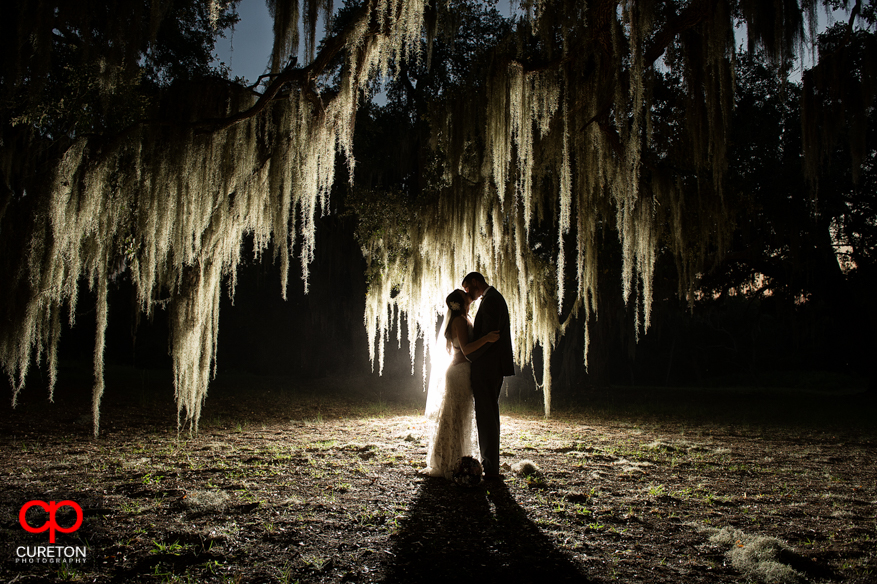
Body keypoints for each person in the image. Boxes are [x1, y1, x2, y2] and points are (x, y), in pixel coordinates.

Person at [423, 289, 500, 479]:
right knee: (455, 415)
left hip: (462, 371)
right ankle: (449, 462)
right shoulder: (459, 321)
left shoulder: (464, 318)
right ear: (460, 301)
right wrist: (487, 338)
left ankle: (452, 458)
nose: (469, 294)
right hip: (459, 373)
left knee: (458, 415)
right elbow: (466, 350)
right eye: (465, 294)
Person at [462, 272, 514, 480]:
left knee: (487, 416)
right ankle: (490, 463)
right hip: (490, 368)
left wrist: (470, 355)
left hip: (488, 368)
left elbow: (490, 337)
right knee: (488, 415)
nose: (468, 294)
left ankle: (490, 466)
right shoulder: (493, 298)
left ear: (475, 282)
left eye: (468, 289)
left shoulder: (492, 300)